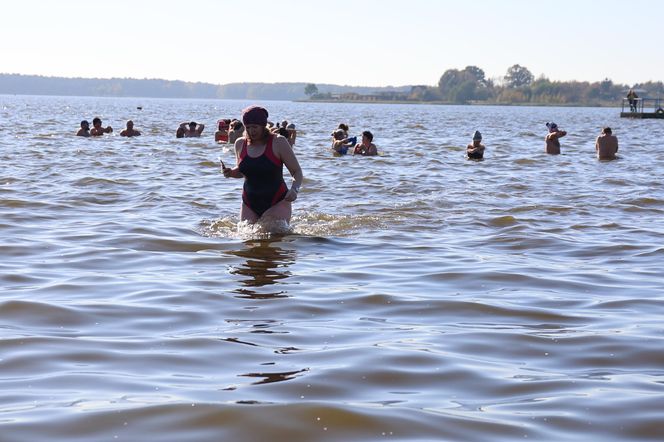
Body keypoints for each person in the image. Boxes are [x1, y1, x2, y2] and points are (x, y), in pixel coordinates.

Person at [221, 105, 303, 224]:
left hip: (277, 200)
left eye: (255, 127)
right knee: (248, 238)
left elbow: (297, 171)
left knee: (272, 236)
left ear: (263, 125)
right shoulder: (240, 144)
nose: (251, 131)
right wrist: (231, 172)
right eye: (248, 127)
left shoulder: (278, 142)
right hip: (249, 202)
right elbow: (243, 171)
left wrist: (294, 189)